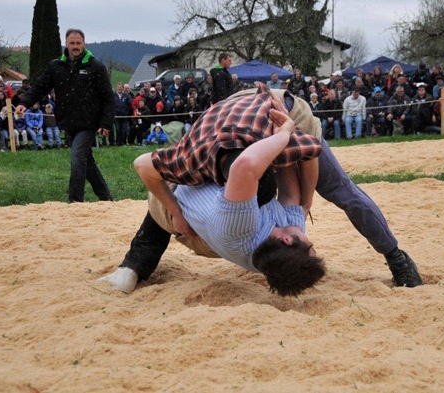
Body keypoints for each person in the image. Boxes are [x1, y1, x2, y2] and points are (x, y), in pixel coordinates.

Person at [100, 85, 422, 294]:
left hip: (278, 114)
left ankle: (396, 257)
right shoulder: (195, 159)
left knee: (338, 189)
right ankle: (133, 264)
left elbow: (300, 154)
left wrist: (306, 191)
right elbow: (282, 168)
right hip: (246, 117)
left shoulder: (199, 166)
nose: (311, 242)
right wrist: (302, 195)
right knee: (170, 201)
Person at [16, 28, 115, 203]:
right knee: (86, 162)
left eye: (78, 43)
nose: (75, 46)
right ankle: (106, 198)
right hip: (67, 121)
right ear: (66, 44)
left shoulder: (96, 67)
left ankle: (75, 201)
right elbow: (40, 86)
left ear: (84, 44)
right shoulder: (55, 66)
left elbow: (108, 97)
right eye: (72, 43)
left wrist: (105, 123)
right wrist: (25, 102)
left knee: (77, 158)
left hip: (88, 122)